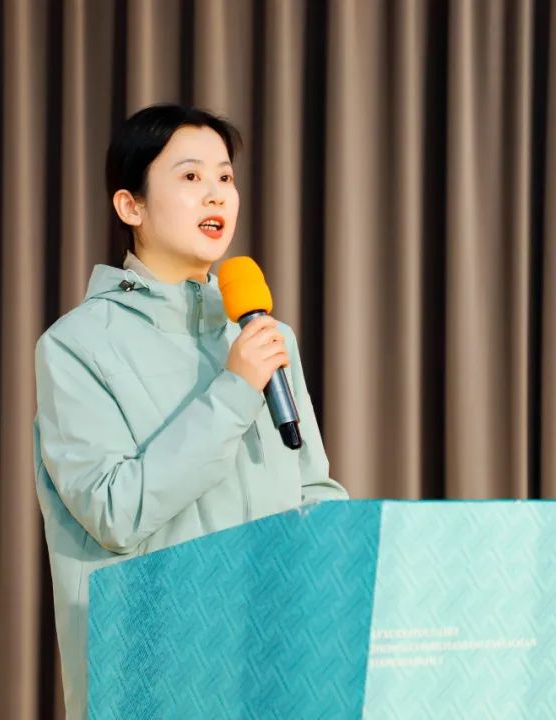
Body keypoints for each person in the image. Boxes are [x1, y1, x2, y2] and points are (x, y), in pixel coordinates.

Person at [32, 104, 349, 719]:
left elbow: (311, 486)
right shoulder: (76, 346)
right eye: (190, 176)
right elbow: (113, 511)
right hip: (160, 676)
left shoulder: (263, 334)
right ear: (131, 206)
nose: (216, 194)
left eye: (225, 177)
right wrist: (233, 391)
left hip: (279, 667)